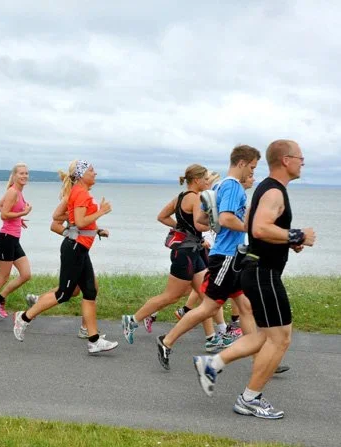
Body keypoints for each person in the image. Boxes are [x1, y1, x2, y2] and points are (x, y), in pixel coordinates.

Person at [193, 140, 314, 419]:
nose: (303, 162)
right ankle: (249, 399)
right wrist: (296, 235)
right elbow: (259, 229)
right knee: (281, 339)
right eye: (300, 157)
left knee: (263, 335)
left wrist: (285, 241)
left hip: (256, 270)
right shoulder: (273, 191)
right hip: (263, 274)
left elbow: (259, 227)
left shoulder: (266, 188)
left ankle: (212, 364)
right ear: (286, 160)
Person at [155, 145, 261, 370]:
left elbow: (202, 221)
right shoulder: (232, 186)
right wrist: (251, 228)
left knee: (246, 307)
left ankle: (260, 358)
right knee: (208, 308)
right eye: (251, 167)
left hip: (230, 256)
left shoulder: (219, 185)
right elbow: (226, 219)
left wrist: (221, 228)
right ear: (241, 163)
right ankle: (166, 341)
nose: (252, 172)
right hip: (226, 258)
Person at [13, 160, 118, 354]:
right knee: (64, 293)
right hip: (75, 248)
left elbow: (72, 221)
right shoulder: (80, 192)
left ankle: (94, 340)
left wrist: (95, 231)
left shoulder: (79, 192)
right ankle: (24, 317)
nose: (95, 173)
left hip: (80, 247)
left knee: (89, 291)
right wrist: (100, 213)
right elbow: (79, 221)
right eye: (91, 170)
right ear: (81, 174)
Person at [121, 164, 211, 345]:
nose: (208, 181)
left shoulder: (180, 198)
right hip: (185, 254)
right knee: (171, 296)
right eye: (206, 178)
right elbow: (200, 226)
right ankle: (131, 320)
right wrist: (216, 223)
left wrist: (181, 228)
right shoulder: (195, 198)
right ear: (197, 180)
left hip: (193, 251)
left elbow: (162, 216)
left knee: (207, 296)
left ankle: (214, 337)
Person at [0, 163, 32, 318]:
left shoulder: (17, 192)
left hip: (14, 238)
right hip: (6, 238)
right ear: (14, 175)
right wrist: (23, 212)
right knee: (3, 277)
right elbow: (4, 215)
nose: (24, 176)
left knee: (26, 274)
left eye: (26, 173)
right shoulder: (12, 192)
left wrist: (17, 220)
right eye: (21, 173)